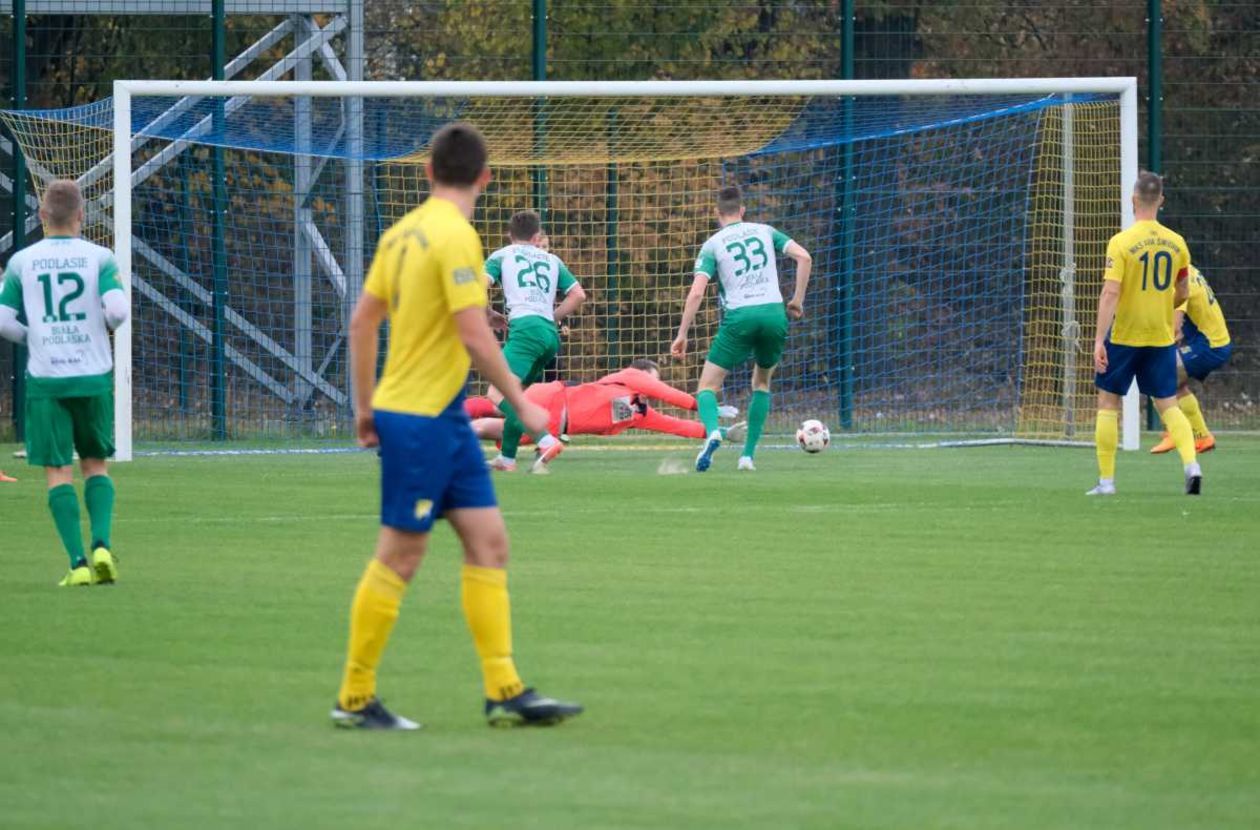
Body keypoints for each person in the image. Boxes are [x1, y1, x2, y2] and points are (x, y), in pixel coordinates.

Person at [332, 123, 582, 730]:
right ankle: (354, 697)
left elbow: (363, 324)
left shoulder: (402, 233)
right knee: (401, 555)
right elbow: (474, 332)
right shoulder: (457, 236)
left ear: (428, 172)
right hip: (418, 419)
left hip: (434, 417)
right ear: (484, 177)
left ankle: (505, 688)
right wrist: (522, 403)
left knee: (489, 541)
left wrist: (364, 408)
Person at [0, 180, 127, 586]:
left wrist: (31, 336)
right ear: (81, 216)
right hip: (91, 375)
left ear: (41, 216)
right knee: (95, 464)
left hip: (47, 379)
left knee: (58, 471)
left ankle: (77, 565)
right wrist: (101, 323)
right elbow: (119, 312)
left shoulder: (23, 261)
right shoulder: (100, 257)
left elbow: (3, 321)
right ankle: (103, 544)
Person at [670, 185, 812, 472]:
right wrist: (796, 299)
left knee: (707, 387)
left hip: (740, 316)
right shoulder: (765, 231)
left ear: (716, 213)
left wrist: (682, 333)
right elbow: (804, 257)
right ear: (742, 211)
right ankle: (747, 457)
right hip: (774, 314)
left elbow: (697, 293)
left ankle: (712, 432)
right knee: (761, 383)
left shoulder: (713, 244)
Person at [1089, 170, 1201, 496]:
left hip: (1125, 335)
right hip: (1160, 335)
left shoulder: (1121, 242)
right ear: (1161, 201)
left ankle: (1107, 482)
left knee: (1108, 403)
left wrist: (1099, 339)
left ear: (1133, 199)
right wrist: (1164, 305)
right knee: (1168, 404)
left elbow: (1110, 292)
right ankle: (1192, 466)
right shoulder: (1177, 243)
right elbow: (1183, 291)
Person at [483, 211, 587, 473]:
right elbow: (578, 295)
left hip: (525, 332)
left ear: (509, 235)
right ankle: (507, 459)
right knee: (515, 395)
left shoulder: (502, 255)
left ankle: (545, 439)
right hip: (549, 337)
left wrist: (488, 314)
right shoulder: (552, 259)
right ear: (537, 236)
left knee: (496, 393)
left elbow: (476, 285)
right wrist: (552, 318)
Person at [466, 359, 744, 445]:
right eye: (654, 379)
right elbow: (668, 394)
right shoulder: (631, 376)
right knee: (500, 406)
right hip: (554, 397)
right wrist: (703, 406)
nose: (654, 386)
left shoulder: (638, 412)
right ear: (643, 374)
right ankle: (451, 412)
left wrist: (716, 431)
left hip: (557, 424)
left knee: (498, 431)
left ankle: (447, 431)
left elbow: (675, 426)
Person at [1149, 266, 1231, 455]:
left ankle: (1174, 433)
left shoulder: (1177, 280)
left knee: (1160, 374)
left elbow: (1175, 327)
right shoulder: (1187, 270)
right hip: (1214, 343)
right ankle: (1202, 437)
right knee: (1177, 384)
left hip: (1209, 346)